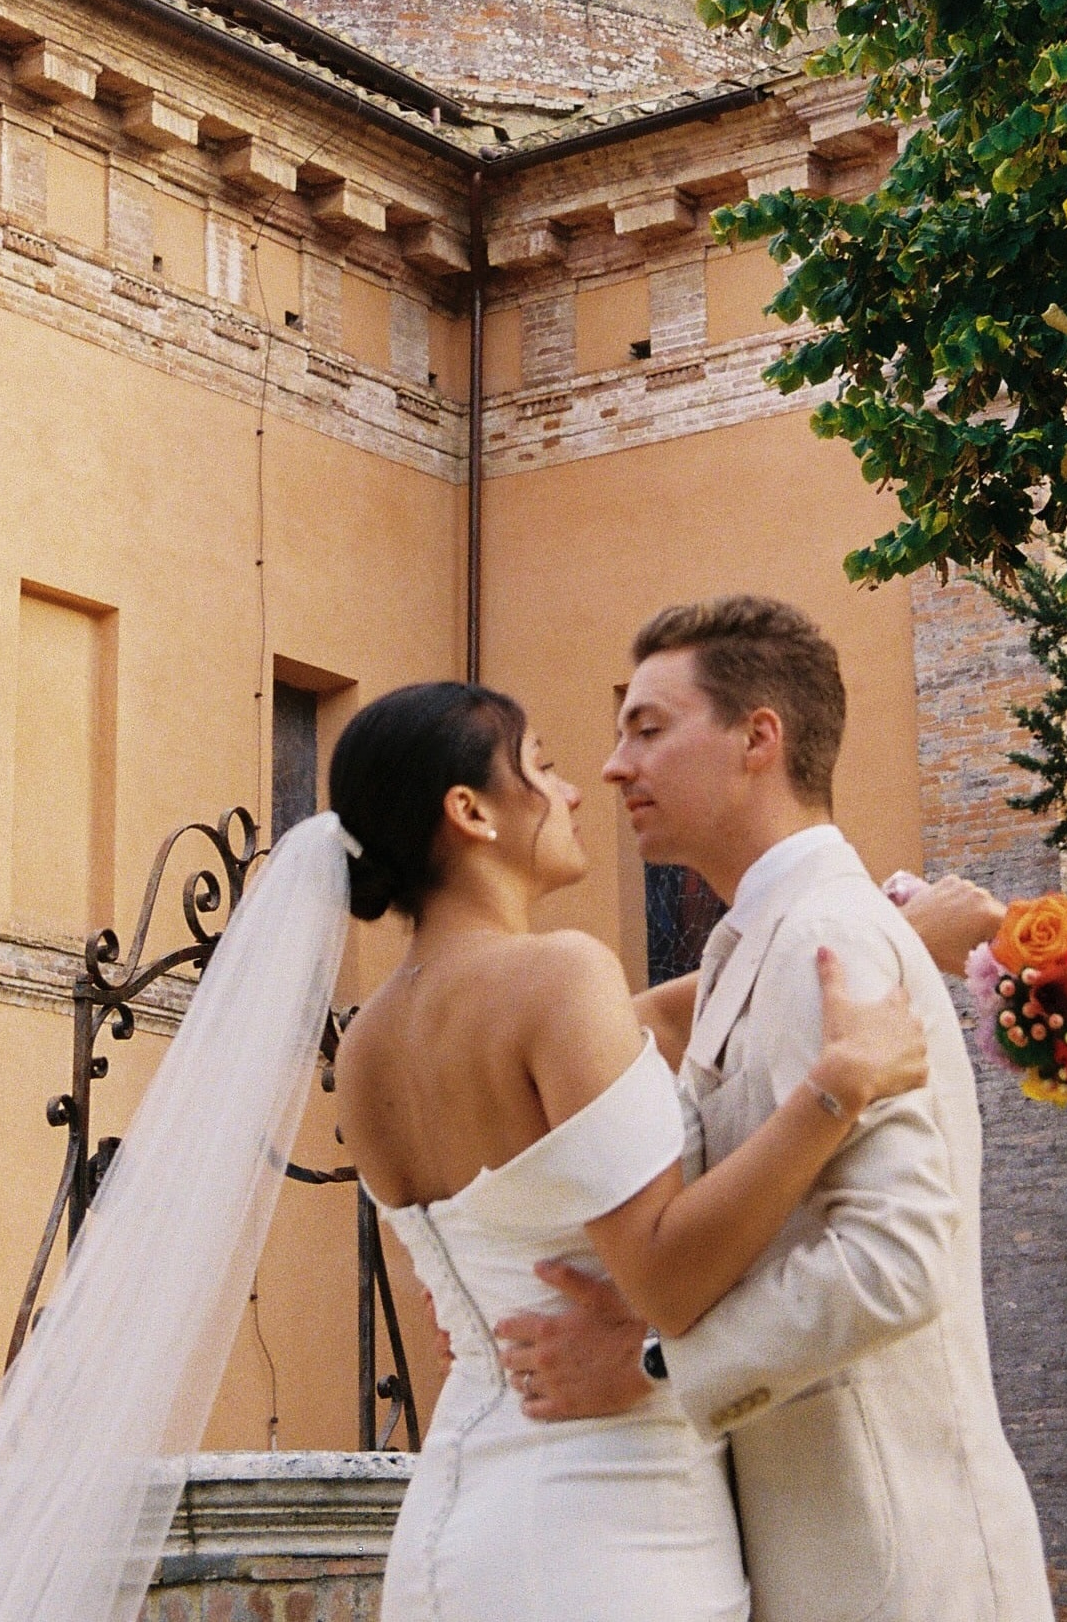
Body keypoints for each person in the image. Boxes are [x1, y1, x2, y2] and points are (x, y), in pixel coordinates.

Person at [495, 596, 1055, 1622]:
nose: (616, 766)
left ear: (760, 737)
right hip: (810, 1558)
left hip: (895, 1565)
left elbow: (897, 1261)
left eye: (649, 728)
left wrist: (655, 1359)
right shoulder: (748, 944)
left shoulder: (827, 941)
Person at [327, 680, 931, 1622]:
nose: (573, 793)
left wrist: (896, 932)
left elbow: (656, 1018)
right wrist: (837, 1089)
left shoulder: (367, 1043)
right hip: (610, 1522)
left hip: (455, 1520)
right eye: (544, 767)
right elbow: (666, 1280)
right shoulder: (559, 975)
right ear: (470, 811)